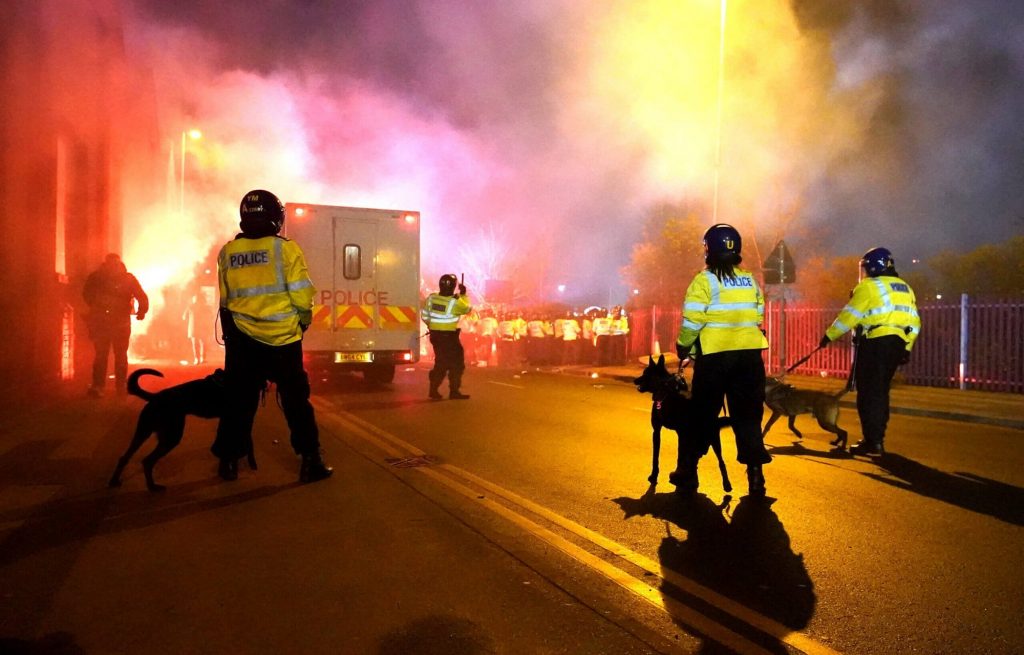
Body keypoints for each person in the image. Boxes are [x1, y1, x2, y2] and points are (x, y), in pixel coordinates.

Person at [211, 189, 332, 483]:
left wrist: (234, 336)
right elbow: (302, 296)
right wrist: (303, 322)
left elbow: (225, 301)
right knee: (296, 403)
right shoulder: (286, 250)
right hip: (283, 341)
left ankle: (228, 461)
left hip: (242, 342)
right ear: (276, 218)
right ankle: (311, 461)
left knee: (238, 401)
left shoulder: (228, 252)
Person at [674, 223, 770, 496]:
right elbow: (758, 315)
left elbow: (693, 321)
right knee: (748, 417)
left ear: (708, 249)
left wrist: (683, 346)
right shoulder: (750, 280)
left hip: (714, 359)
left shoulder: (704, 281)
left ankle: (688, 471)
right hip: (749, 359)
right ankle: (756, 477)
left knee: (702, 415)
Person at [819, 247, 920, 456]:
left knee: (868, 394)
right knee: (881, 392)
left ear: (872, 267)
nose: (864, 272)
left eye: (865, 268)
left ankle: (872, 442)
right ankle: (877, 439)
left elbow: (849, 316)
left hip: (875, 343)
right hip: (896, 344)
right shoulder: (905, 288)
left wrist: (829, 336)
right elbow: (915, 322)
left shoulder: (869, 286)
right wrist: (907, 347)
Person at [83, 253, 149, 397]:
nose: (113, 267)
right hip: (112, 322)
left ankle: (107, 386)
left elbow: (86, 294)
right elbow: (141, 296)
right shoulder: (124, 278)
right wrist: (141, 311)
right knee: (110, 355)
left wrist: (142, 310)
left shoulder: (98, 277)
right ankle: (114, 386)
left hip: (111, 322)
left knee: (109, 355)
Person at [421, 274, 472, 399]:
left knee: (441, 362)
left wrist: (432, 326)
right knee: (457, 364)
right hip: (449, 337)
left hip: (435, 336)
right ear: (453, 286)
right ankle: (454, 391)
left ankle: (433, 389)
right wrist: (463, 295)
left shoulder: (432, 298)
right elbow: (467, 309)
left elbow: (425, 315)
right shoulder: (455, 302)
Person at [182, 291, 215, 365]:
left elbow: (184, 317)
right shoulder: (205, 307)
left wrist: (190, 320)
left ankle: (197, 359)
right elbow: (211, 317)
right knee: (203, 343)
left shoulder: (190, 307)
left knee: (195, 344)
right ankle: (202, 358)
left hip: (193, 328)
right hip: (203, 328)